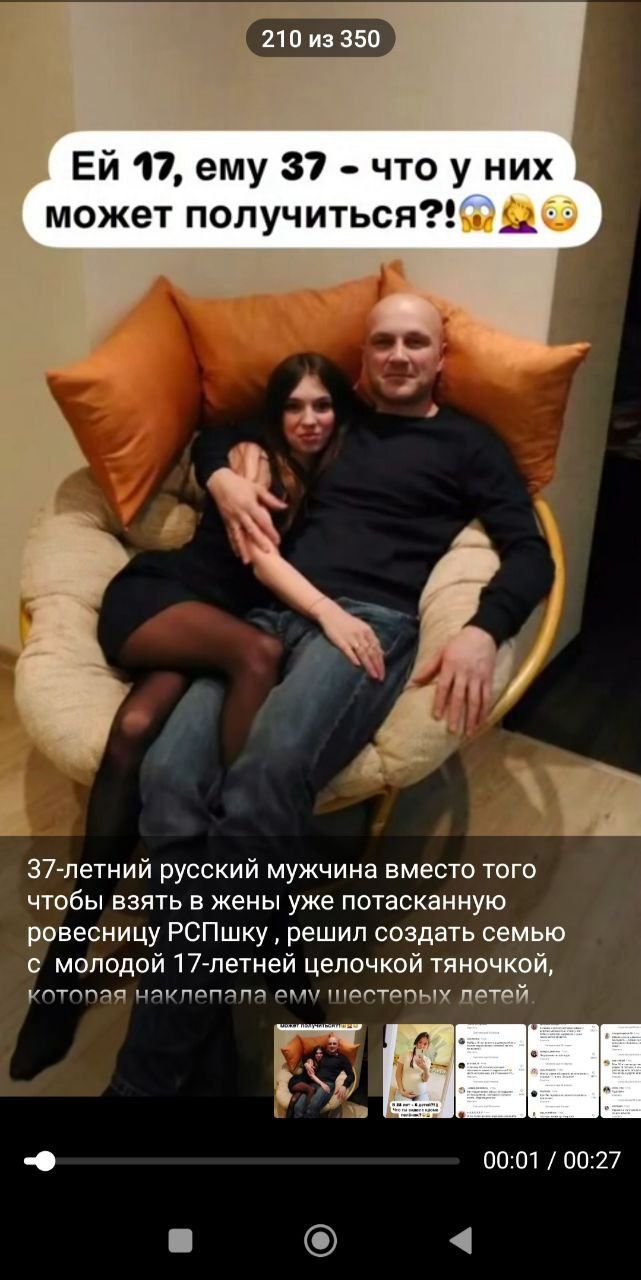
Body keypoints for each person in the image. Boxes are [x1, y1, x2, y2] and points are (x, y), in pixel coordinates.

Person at [103, 291, 555, 1097]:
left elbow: (529, 549)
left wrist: (483, 628)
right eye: (383, 342)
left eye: (414, 342)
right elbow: (221, 429)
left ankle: (145, 1079)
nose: (398, 355)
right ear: (363, 358)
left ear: (439, 357)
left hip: (366, 626)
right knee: (169, 778)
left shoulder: (467, 443)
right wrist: (222, 475)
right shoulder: (333, 423)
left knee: (261, 782)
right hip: (262, 619)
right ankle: (234, 1010)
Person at [11, 353, 388, 1082]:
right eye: (293, 406)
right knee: (257, 653)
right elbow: (213, 439)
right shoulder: (251, 453)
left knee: (134, 731)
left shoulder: (346, 473)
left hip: (211, 627)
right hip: (164, 599)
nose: (308, 419)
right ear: (275, 413)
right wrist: (223, 473)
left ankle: (108, 960)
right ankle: (91, 953)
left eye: (322, 405)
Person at [291, 1035, 355, 1118]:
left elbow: (351, 1075)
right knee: (298, 1106)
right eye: (330, 1044)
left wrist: (344, 1086)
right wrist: (307, 1063)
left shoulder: (342, 1058)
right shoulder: (323, 1054)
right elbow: (306, 1056)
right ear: (327, 1046)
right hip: (313, 1083)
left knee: (312, 1107)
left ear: (338, 1046)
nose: (332, 1045)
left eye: (334, 1043)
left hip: (327, 1084)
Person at [285, 1044, 326, 1118]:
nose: (318, 1055)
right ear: (314, 1054)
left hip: (304, 1085)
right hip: (297, 1081)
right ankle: (308, 1113)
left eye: (320, 1053)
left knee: (294, 1100)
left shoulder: (322, 1064)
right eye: (317, 1053)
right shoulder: (311, 1059)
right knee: (311, 1089)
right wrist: (307, 1063)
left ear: (323, 1054)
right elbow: (305, 1057)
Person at [395, 1032, 431, 1101]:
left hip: (421, 1094)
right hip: (404, 1092)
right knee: (406, 1107)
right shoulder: (405, 1055)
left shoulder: (427, 1060)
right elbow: (398, 1075)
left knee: (421, 1107)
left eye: (425, 1044)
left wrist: (425, 1069)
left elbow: (425, 1080)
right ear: (416, 1043)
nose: (422, 1046)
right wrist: (402, 1091)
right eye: (420, 1042)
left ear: (427, 1046)